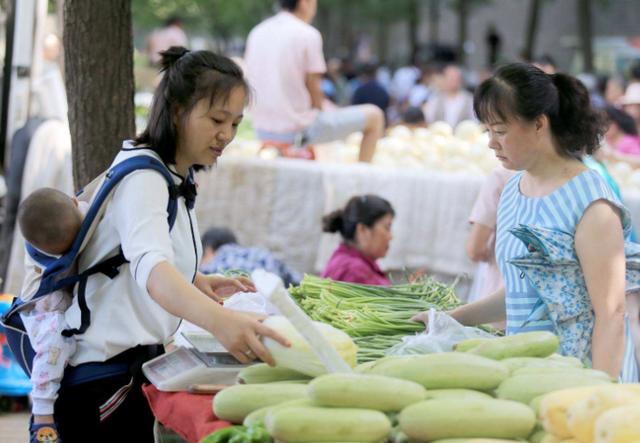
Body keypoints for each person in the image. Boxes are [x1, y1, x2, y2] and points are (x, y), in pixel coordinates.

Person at [51, 47, 290, 441]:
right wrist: (221, 322)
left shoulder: (173, 175)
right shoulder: (145, 178)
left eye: (235, 123)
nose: (226, 136)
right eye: (216, 120)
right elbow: (151, 269)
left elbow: (140, 254)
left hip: (127, 372)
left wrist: (194, 278)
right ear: (177, 110)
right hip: (103, 383)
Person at [414, 63, 638, 381]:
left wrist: (598, 392)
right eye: (488, 131)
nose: (492, 142)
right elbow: (523, 293)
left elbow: (611, 312)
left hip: (583, 378)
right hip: (531, 375)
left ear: (539, 124)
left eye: (501, 131)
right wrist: (449, 319)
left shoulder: (590, 201)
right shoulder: (513, 191)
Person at [243, 0, 384, 162]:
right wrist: (330, 109)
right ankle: (362, 184)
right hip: (297, 131)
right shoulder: (308, 34)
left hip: (260, 129)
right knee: (375, 116)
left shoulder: (257, 32)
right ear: (304, 2)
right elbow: (315, 97)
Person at [17, 188, 86, 442]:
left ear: (75, 201)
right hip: (42, 308)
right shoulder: (43, 253)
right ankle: (42, 414)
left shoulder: (83, 208)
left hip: (63, 299)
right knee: (54, 347)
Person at [466, 167, 514, 304]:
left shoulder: (502, 177)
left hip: (498, 301)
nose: (493, 145)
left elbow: (475, 250)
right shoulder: (574, 181)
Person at [322, 195, 394, 285]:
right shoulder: (353, 271)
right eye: (387, 227)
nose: (391, 236)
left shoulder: (356, 263)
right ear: (362, 230)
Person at [200, 227, 301, 287]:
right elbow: (296, 279)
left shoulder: (219, 258)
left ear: (208, 249)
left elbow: (196, 280)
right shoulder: (260, 252)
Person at [423, 64, 475, 129]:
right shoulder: (435, 99)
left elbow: (474, 122)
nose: (453, 81)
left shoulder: (469, 99)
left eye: (456, 78)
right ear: (445, 79)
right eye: (450, 78)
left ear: (460, 80)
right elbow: (428, 119)